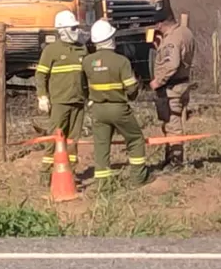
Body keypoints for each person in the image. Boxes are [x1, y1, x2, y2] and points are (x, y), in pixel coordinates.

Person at [83, 19, 150, 187]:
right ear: (111, 39)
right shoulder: (122, 61)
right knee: (134, 139)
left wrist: (89, 100)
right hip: (118, 108)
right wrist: (133, 95)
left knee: (101, 145)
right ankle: (138, 178)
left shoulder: (87, 62)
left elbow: (82, 85)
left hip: (97, 109)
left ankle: (103, 185)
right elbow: (131, 88)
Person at [35, 10, 88, 182]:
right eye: (72, 28)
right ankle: (46, 174)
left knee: (73, 140)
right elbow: (41, 75)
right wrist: (42, 96)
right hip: (59, 102)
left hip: (78, 101)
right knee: (55, 138)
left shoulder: (82, 49)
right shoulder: (52, 51)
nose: (76, 31)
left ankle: (70, 173)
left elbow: (87, 75)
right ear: (62, 29)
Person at [149, 11, 196, 170]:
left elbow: (172, 63)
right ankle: (170, 159)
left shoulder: (171, 39)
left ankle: (176, 162)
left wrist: (158, 81)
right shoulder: (185, 32)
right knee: (174, 122)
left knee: (172, 125)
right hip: (183, 84)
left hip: (171, 88)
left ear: (160, 24)